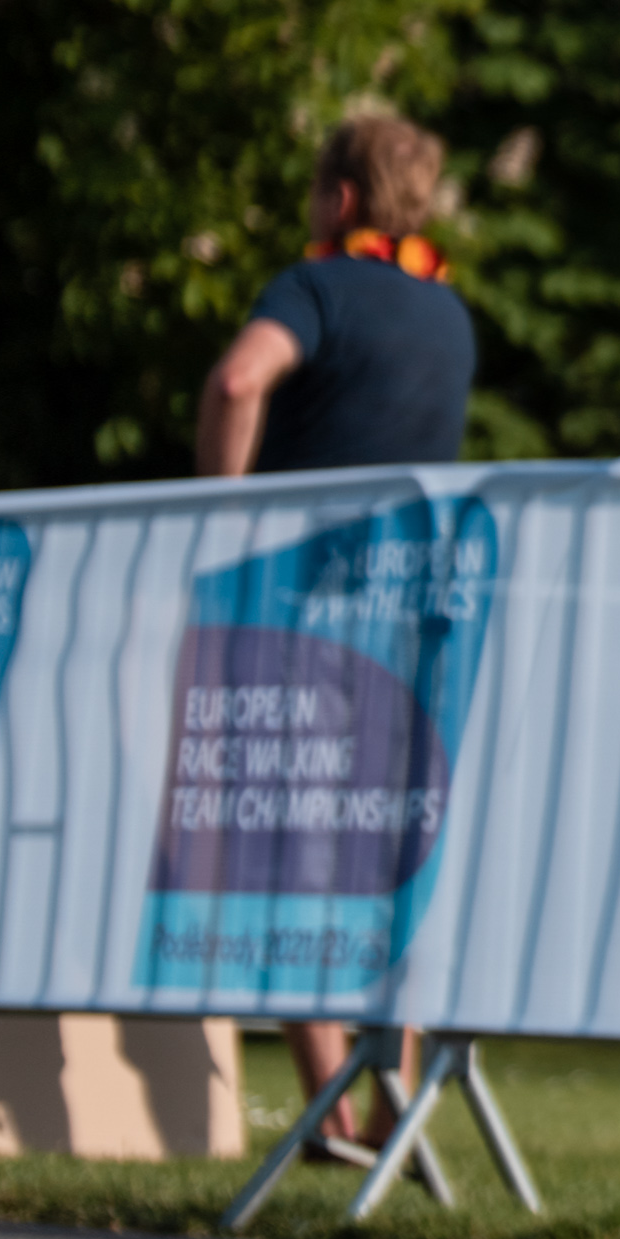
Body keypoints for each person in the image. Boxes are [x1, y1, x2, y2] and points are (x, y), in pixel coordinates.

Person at [194, 110, 477, 1161]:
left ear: (341, 197)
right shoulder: (450, 315)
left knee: (278, 847)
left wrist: (218, 519)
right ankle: (391, 1108)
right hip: (407, 623)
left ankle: (331, 1119)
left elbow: (239, 379)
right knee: (382, 860)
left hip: (298, 611)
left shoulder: (314, 288)